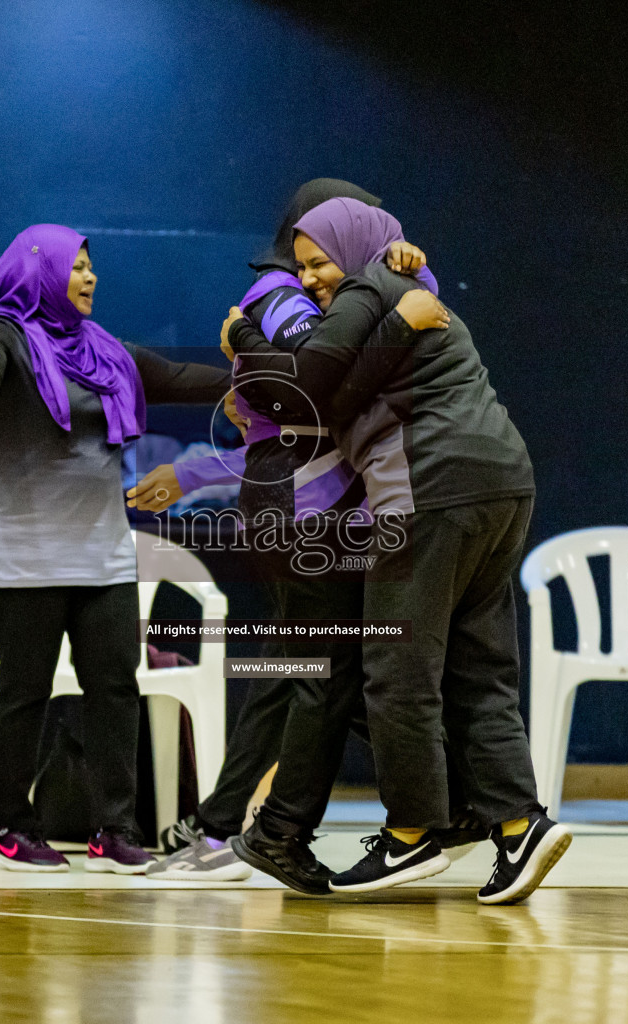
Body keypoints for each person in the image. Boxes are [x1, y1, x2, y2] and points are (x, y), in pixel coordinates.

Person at [225, 197, 571, 905]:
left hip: (430, 486)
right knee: (478, 670)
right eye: (303, 267)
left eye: (320, 261)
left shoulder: (368, 286)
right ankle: (517, 824)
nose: (313, 278)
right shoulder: (404, 287)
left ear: (354, 248)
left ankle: (412, 836)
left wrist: (241, 339)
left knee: (395, 668)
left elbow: (315, 384)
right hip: (504, 481)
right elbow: (337, 387)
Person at [131, 179, 446, 886]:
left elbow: (292, 416)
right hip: (299, 502)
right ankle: (267, 828)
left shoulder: (330, 290)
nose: (316, 271)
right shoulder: (280, 294)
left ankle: (222, 823)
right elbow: (316, 387)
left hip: (305, 492)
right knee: (328, 669)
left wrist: (413, 268)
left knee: (300, 666)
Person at [0, 224, 229, 874]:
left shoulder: (104, 352)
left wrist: (250, 382)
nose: (89, 276)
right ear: (39, 273)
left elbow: (181, 376)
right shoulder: (2, 339)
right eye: (75, 266)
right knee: (23, 688)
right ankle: (11, 829)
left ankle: (114, 829)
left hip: (100, 550)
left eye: (90, 266)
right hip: (22, 552)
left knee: (115, 685)